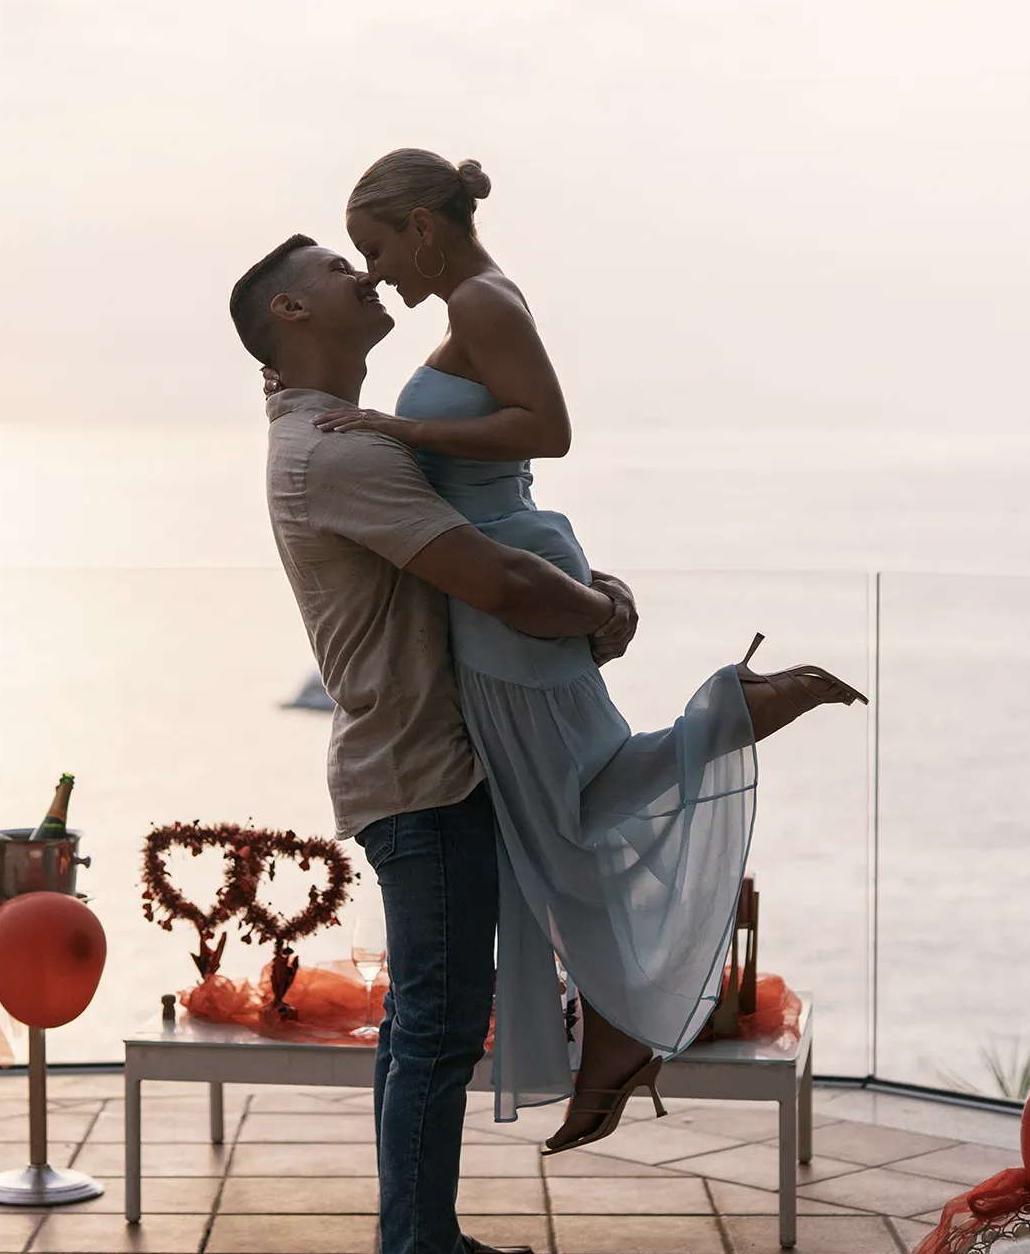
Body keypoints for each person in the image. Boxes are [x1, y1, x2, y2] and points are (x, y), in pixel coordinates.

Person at [316, 147, 866, 1154]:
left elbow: (549, 429)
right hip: (508, 567)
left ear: (423, 227)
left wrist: (402, 431)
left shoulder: (484, 301)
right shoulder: (476, 302)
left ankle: (620, 1025)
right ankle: (734, 716)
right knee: (567, 804)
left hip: (509, 579)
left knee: (558, 815)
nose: (376, 272)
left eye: (378, 246)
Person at [230, 233, 635, 1254]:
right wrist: (601, 609)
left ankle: (429, 1242)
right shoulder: (337, 453)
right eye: (332, 268)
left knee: (423, 1029)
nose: (362, 276)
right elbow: (496, 578)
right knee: (439, 1031)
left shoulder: (330, 439)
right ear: (290, 313)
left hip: (416, 763)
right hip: (422, 775)